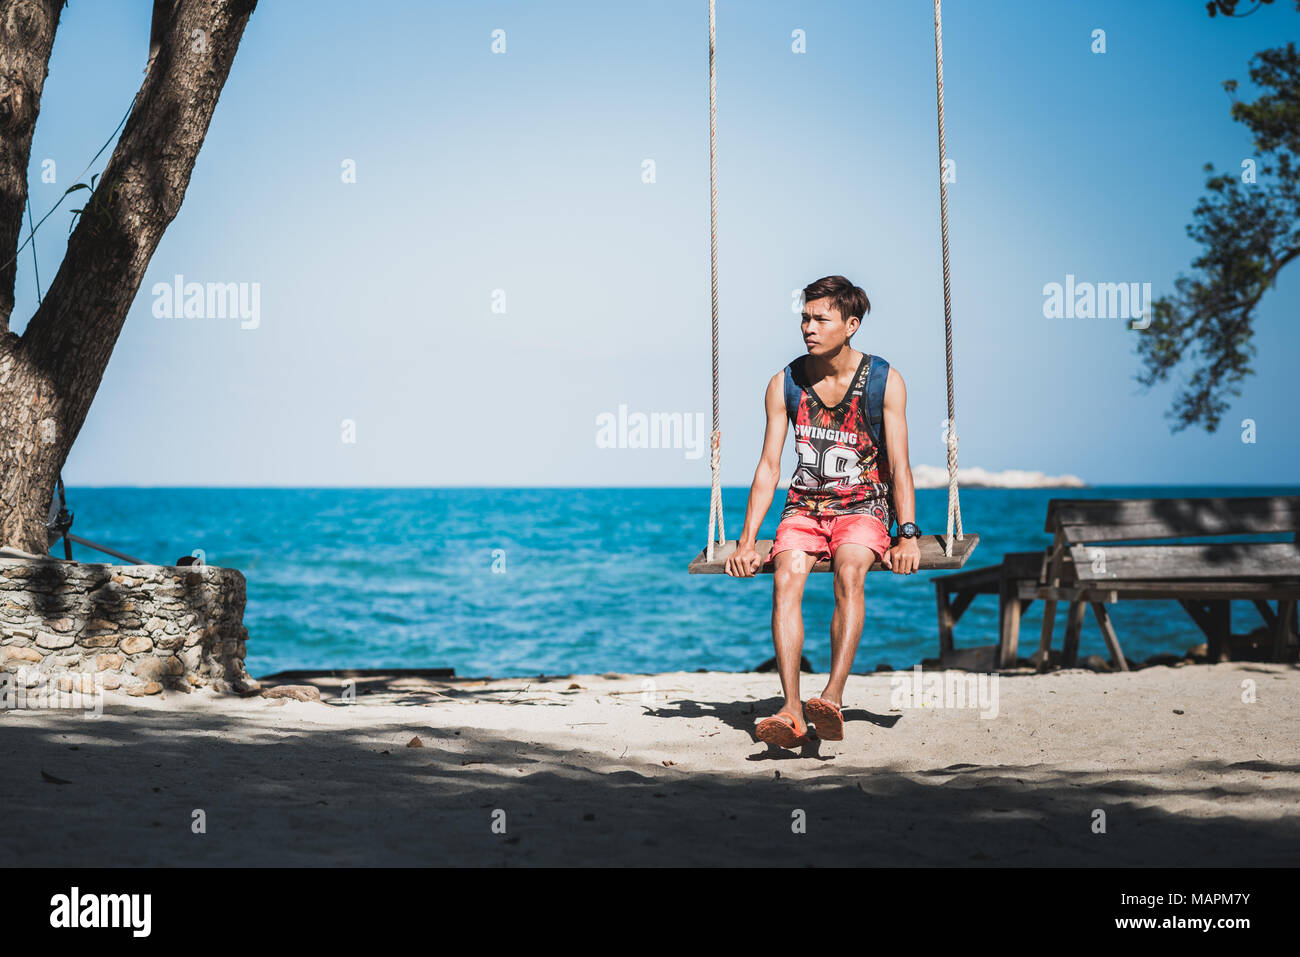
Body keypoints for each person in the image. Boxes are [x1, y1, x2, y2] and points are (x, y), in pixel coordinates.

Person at [724, 275, 923, 748]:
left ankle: (831, 697)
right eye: (804, 318)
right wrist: (748, 540)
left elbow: (899, 466)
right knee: (786, 575)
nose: (808, 327)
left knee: (850, 571)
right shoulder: (785, 383)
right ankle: (792, 709)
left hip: (864, 509)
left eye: (820, 319)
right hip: (804, 509)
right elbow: (769, 467)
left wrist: (909, 532)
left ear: (851, 325)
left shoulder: (884, 381)